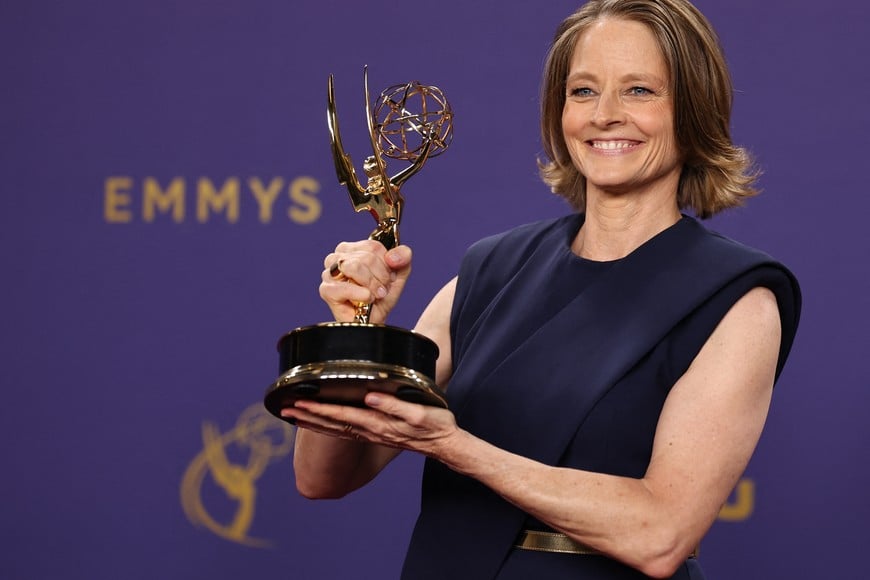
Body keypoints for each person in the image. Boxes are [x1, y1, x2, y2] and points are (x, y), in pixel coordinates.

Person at [280, 0, 801, 578]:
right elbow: (323, 477)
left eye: (639, 91)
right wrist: (356, 331)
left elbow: (661, 534)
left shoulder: (736, 299)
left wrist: (457, 447)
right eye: (582, 91)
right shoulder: (488, 271)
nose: (604, 114)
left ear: (694, 111)